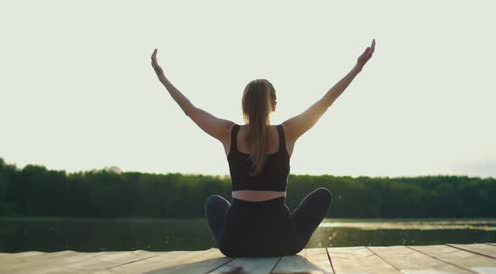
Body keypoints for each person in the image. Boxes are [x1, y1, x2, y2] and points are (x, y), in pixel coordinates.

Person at [150, 39, 376, 257]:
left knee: (213, 202)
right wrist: (357, 67)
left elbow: (190, 110)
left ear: (244, 105)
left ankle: (232, 236)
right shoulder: (287, 132)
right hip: (282, 242)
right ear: (274, 105)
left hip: (234, 243)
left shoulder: (229, 133)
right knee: (323, 195)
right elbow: (327, 100)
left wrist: (163, 78)